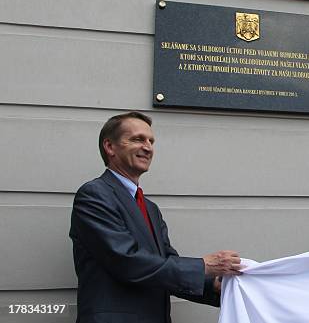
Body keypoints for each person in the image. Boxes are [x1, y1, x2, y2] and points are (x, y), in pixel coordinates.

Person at [69, 112, 242, 323]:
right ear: (110, 147)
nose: (148, 147)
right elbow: (126, 261)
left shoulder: (151, 208)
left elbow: (165, 265)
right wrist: (203, 266)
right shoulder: (94, 195)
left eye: (151, 141)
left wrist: (215, 285)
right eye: (137, 139)